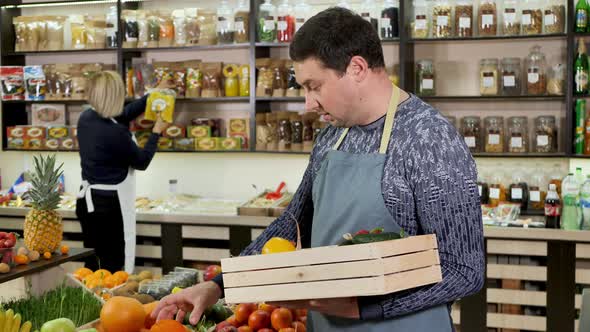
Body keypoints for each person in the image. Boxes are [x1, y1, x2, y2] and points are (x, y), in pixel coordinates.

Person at [152, 7, 484, 331]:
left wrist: (362, 308)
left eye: (315, 86)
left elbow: (464, 270)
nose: (308, 104)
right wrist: (217, 286)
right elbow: (293, 223)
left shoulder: (429, 139)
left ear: (356, 68)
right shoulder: (331, 137)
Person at [76, 71, 171, 273]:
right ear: (114, 96)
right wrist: (156, 132)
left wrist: (153, 95)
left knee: (94, 262)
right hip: (109, 206)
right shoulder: (115, 132)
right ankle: (111, 303)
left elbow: (124, 114)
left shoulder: (86, 118)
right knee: (113, 265)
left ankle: (92, 302)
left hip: (88, 203)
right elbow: (142, 161)